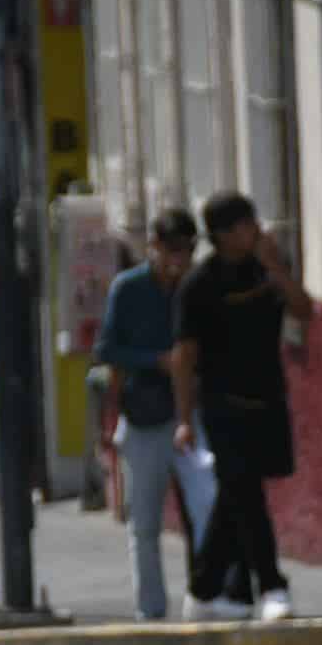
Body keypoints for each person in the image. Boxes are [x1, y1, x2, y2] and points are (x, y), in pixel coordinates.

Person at [177, 192, 314, 620]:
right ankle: (272, 586)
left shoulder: (265, 269)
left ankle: (202, 591)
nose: (254, 231)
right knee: (246, 493)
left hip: (267, 400)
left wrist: (276, 268)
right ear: (222, 234)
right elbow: (185, 356)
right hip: (222, 404)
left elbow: (303, 309)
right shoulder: (199, 284)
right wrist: (185, 419)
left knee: (235, 496)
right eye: (243, 225)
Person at [96, 208, 210, 619]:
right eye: (172, 249)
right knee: (144, 524)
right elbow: (107, 349)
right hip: (145, 416)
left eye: (187, 249)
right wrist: (157, 361)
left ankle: (205, 597)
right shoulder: (128, 289)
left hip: (194, 414)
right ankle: (151, 609)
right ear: (154, 247)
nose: (179, 259)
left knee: (205, 510)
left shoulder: (196, 287)